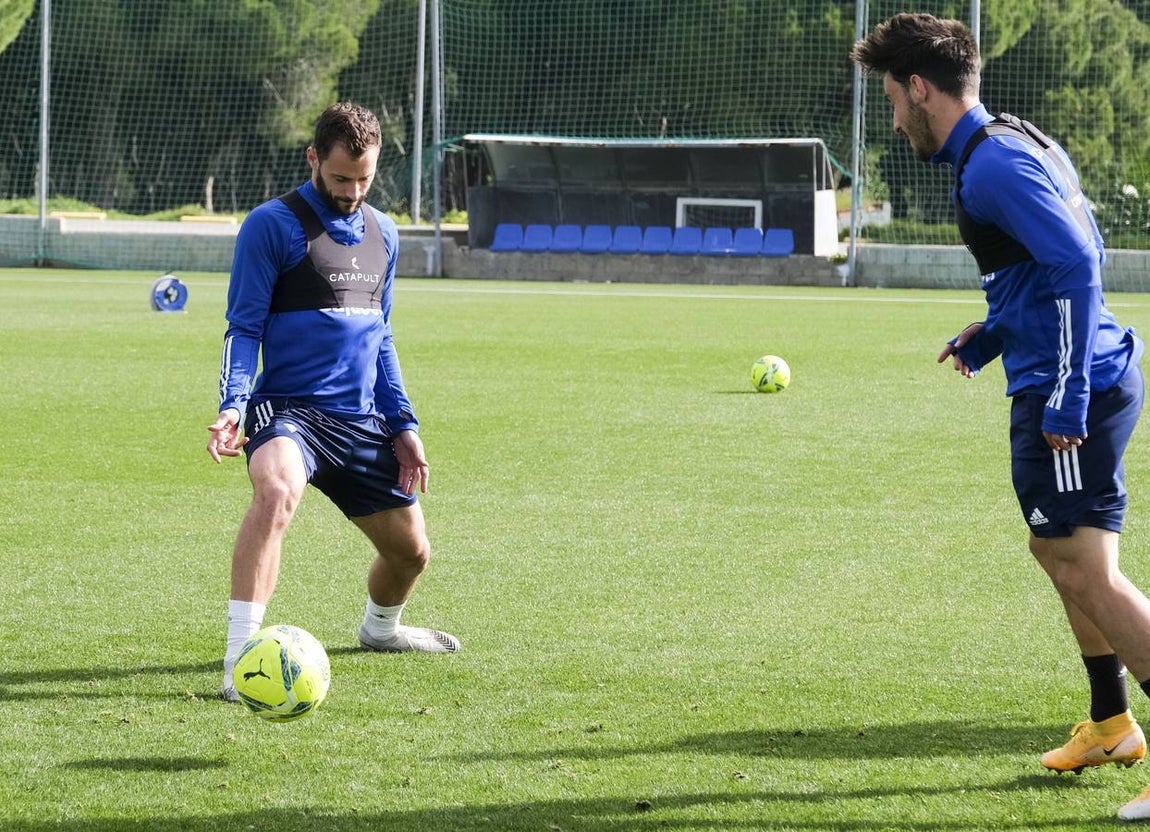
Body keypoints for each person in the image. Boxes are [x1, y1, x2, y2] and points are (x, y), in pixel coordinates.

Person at [853, 13, 1150, 821]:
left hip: (1073, 389)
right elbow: (1044, 263)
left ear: (920, 89)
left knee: (1089, 569)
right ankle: (1113, 722)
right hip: (1072, 372)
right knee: (1055, 552)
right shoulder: (1014, 139)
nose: (891, 117)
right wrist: (993, 334)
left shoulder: (990, 167)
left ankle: (1122, 720)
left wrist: (1066, 392)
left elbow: (1080, 261)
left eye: (891, 98)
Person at [207, 101, 460, 704]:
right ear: (314, 158)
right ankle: (239, 661)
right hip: (288, 411)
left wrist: (403, 422)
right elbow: (243, 327)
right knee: (275, 490)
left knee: (411, 554)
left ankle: (381, 630)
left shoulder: (384, 233)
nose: (351, 191)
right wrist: (234, 405)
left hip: (359, 418)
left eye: (364, 179)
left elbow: (382, 335)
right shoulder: (271, 225)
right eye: (341, 177)